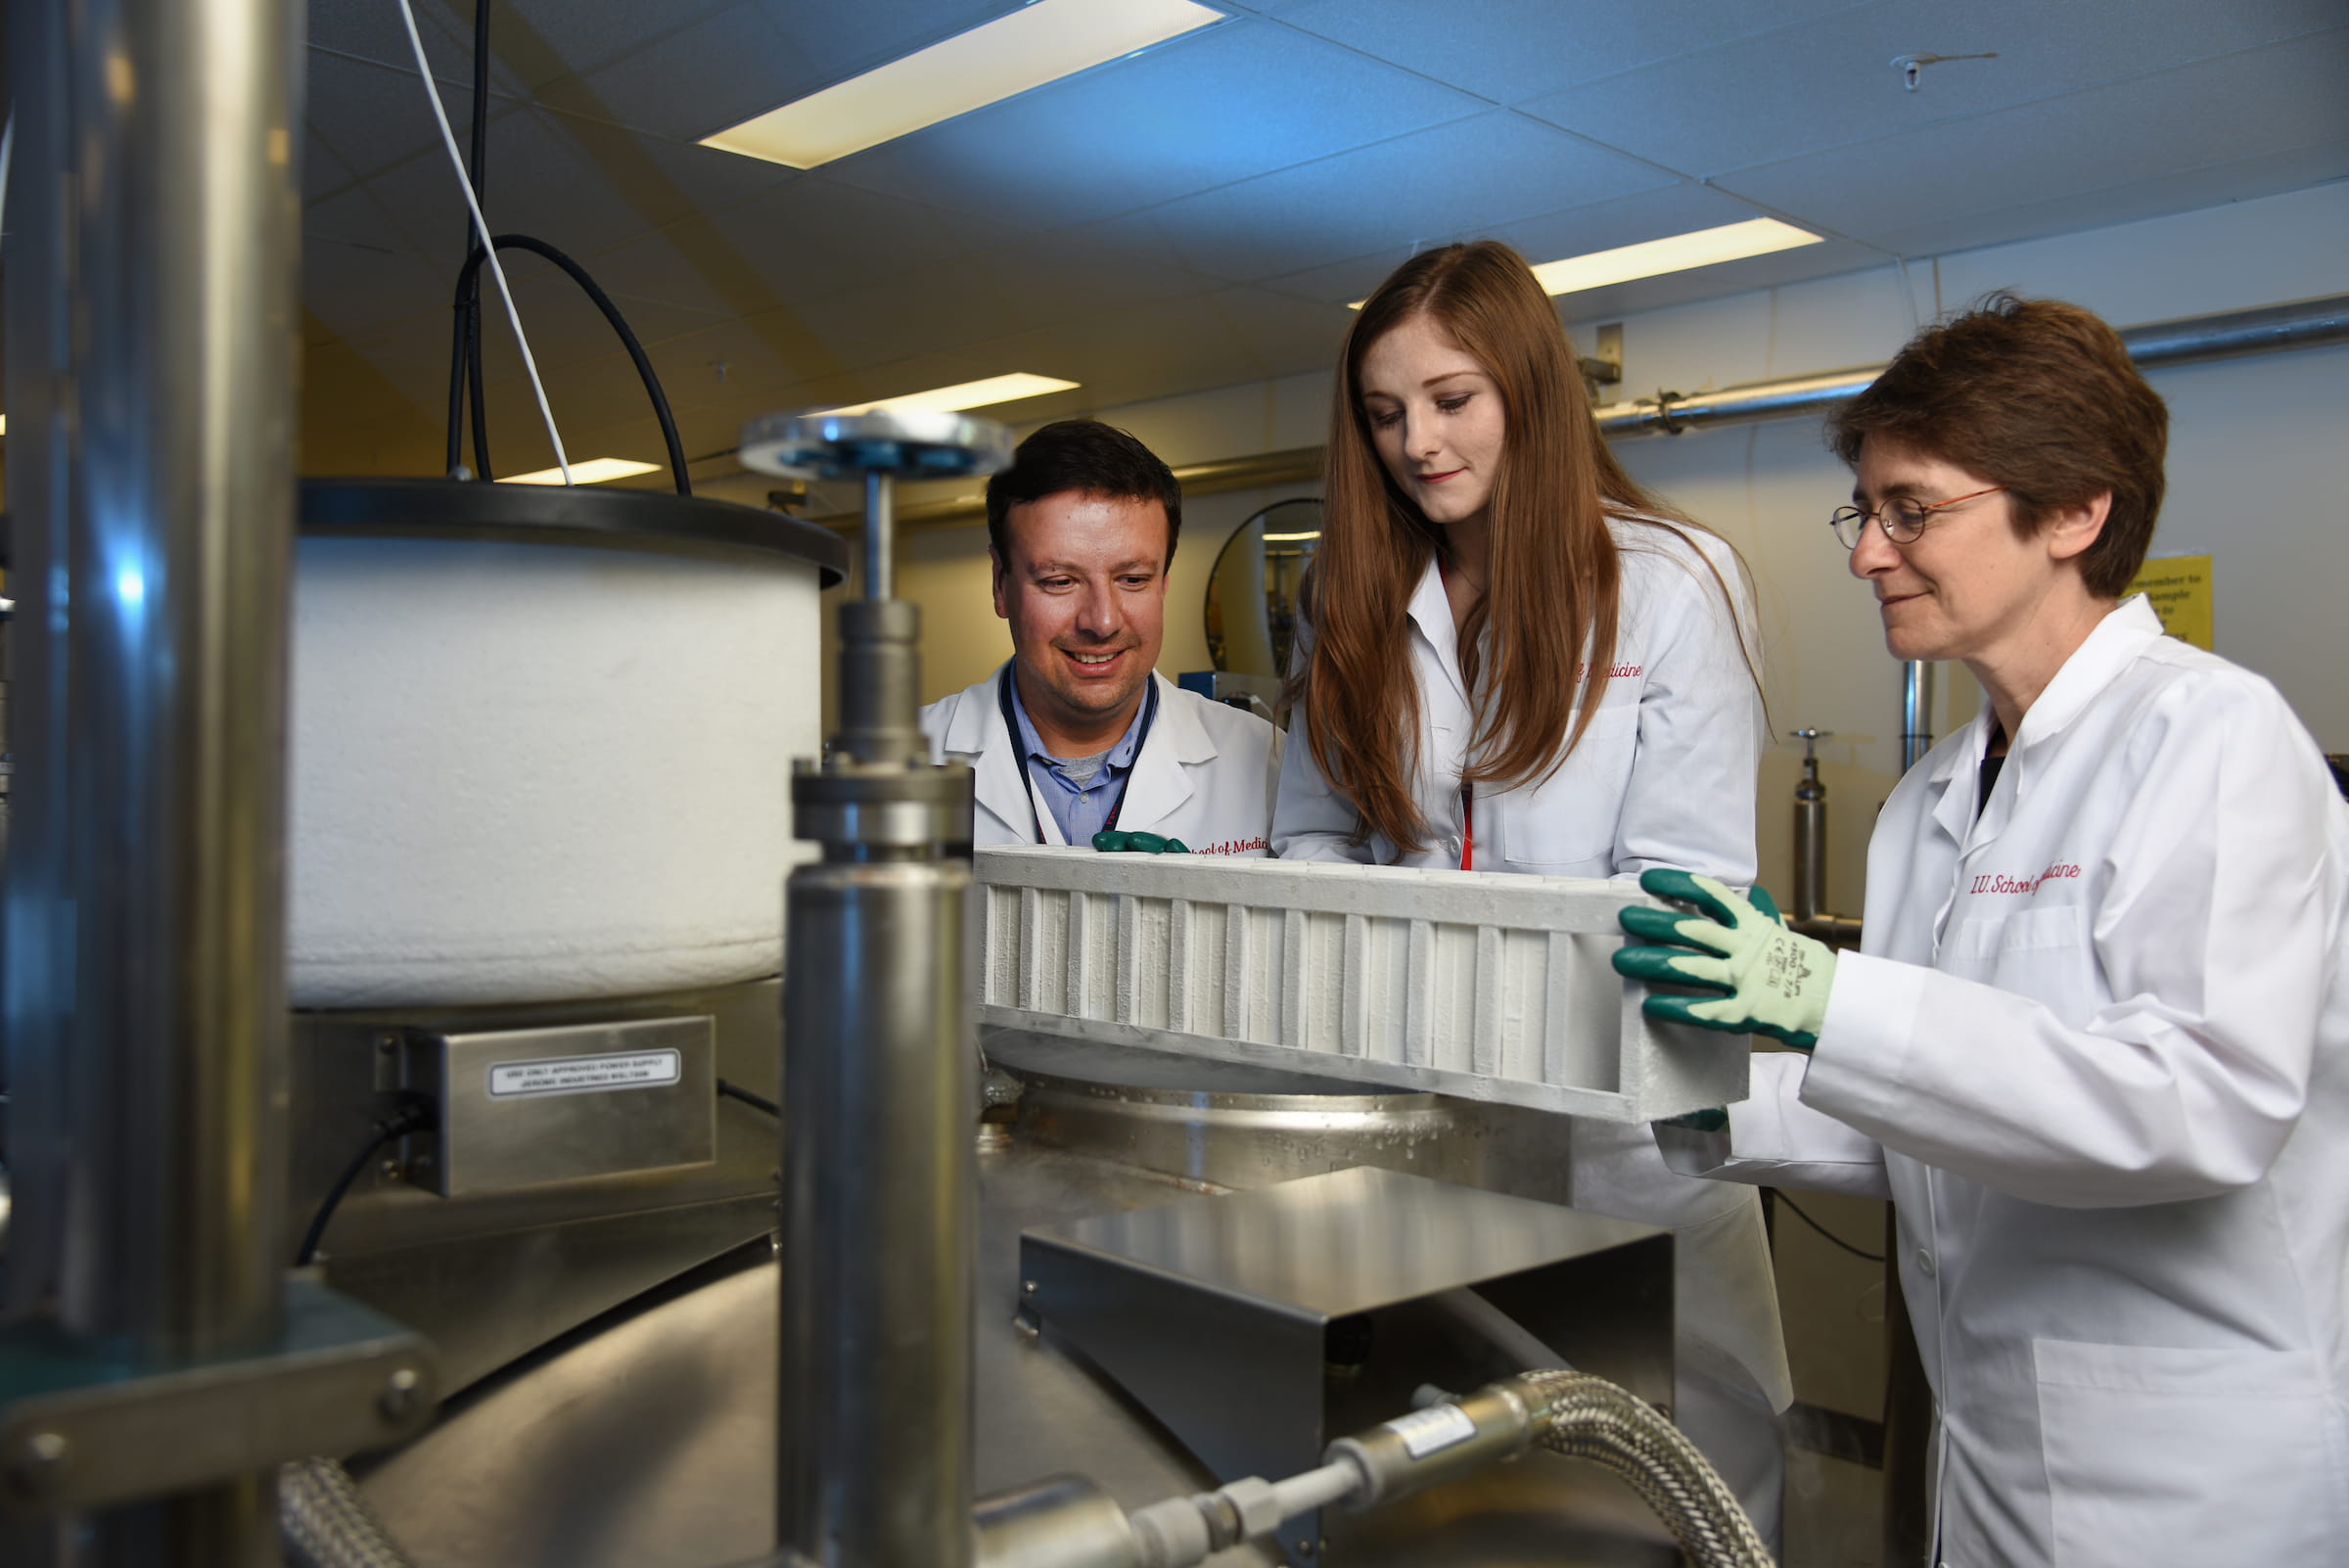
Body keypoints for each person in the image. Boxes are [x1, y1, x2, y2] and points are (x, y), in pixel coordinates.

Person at [1614, 295, 2349, 1567]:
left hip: (2191, 1478)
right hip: (1988, 1451)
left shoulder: (2211, 741)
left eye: (1913, 509)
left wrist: (1822, 993)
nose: (1866, 555)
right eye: (1869, 511)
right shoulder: (1928, 802)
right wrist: (1672, 1094)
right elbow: (1919, 1119)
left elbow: (2207, 1103)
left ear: (2075, 510)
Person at [1271, 240, 1792, 1540]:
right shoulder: (1349, 588)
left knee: (1682, 1501)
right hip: (1422, 1127)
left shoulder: (1670, 579)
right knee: (1471, 1504)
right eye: (1385, 414)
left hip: (1629, 1141)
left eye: (1452, 399)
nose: (1417, 442)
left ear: (1530, 388)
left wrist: (1437, 940)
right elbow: (1310, 845)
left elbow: (1678, 893)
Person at [923, 419, 1283, 853]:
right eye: (1059, 581)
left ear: (1164, 583)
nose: (1103, 620)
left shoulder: (1270, 764)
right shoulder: (900, 764)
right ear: (1001, 584)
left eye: (1133, 579)